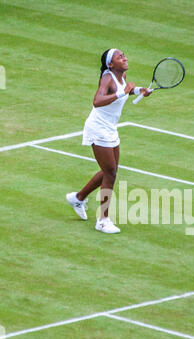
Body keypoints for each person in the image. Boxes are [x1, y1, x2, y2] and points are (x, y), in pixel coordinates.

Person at [66, 48, 151, 233]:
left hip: (110, 128)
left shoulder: (122, 75)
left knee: (109, 172)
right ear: (110, 64)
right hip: (98, 128)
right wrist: (124, 93)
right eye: (119, 57)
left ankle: (78, 198)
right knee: (110, 173)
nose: (124, 57)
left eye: (124, 55)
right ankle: (103, 220)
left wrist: (138, 91)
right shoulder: (107, 78)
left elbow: (123, 91)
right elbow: (97, 101)